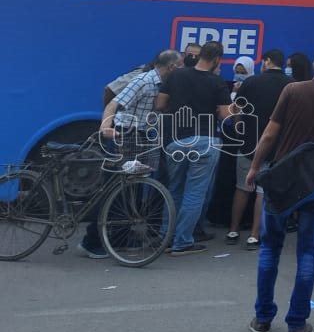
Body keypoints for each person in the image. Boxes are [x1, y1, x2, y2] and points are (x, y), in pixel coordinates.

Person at [246, 46, 314, 332]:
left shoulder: (292, 90)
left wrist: (255, 167)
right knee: (307, 253)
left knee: (270, 249)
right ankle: (297, 323)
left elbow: (270, 134)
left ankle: (262, 318)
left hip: (281, 180)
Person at [80, 49, 182, 259]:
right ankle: (91, 242)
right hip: (125, 136)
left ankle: (119, 236)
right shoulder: (143, 81)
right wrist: (105, 126)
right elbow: (113, 103)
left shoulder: (162, 85)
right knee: (115, 188)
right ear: (172, 67)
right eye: (180, 66)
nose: (183, 70)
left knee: (132, 189)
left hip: (140, 137)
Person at [154, 40, 232, 256]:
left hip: (176, 140)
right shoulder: (217, 82)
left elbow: (160, 104)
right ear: (217, 60)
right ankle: (182, 241)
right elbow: (225, 115)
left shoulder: (176, 75)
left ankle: (165, 237)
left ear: (199, 56)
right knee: (195, 193)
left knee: (174, 190)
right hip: (205, 141)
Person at [226, 49, 291, 249]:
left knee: (242, 187)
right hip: (275, 146)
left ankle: (233, 230)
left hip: (248, 143)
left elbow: (237, 109)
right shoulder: (291, 85)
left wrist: (238, 128)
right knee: (263, 192)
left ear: (267, 61)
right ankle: (254, 235)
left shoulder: (251, 82)